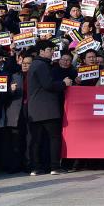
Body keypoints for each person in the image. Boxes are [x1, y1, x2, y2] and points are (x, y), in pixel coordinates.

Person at [27, 40, 72, 175]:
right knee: (54, 137)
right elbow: (48, 85)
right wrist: (64, 83)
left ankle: (36, 167)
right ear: (41, 51)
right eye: (49, 50)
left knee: (36, 140)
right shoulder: (41, 65)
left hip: (35, 109)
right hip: (47, 108)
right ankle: (54, 167)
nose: (52, 52)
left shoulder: (36, 64)